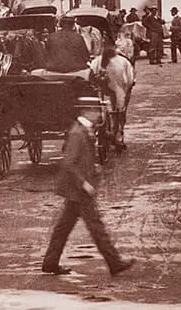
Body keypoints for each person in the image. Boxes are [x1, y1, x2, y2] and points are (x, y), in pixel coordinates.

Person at [42, 116, 135, 277]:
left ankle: (50, 262)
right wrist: (83, 183)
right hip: (79, 190)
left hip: (75, 190)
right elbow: (69, 163)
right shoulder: (78, 133)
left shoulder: (82, 130)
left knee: (63, 227)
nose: (98, 114)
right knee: (96, 226)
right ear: (88, 111)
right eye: (95, 110)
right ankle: (114, 263)